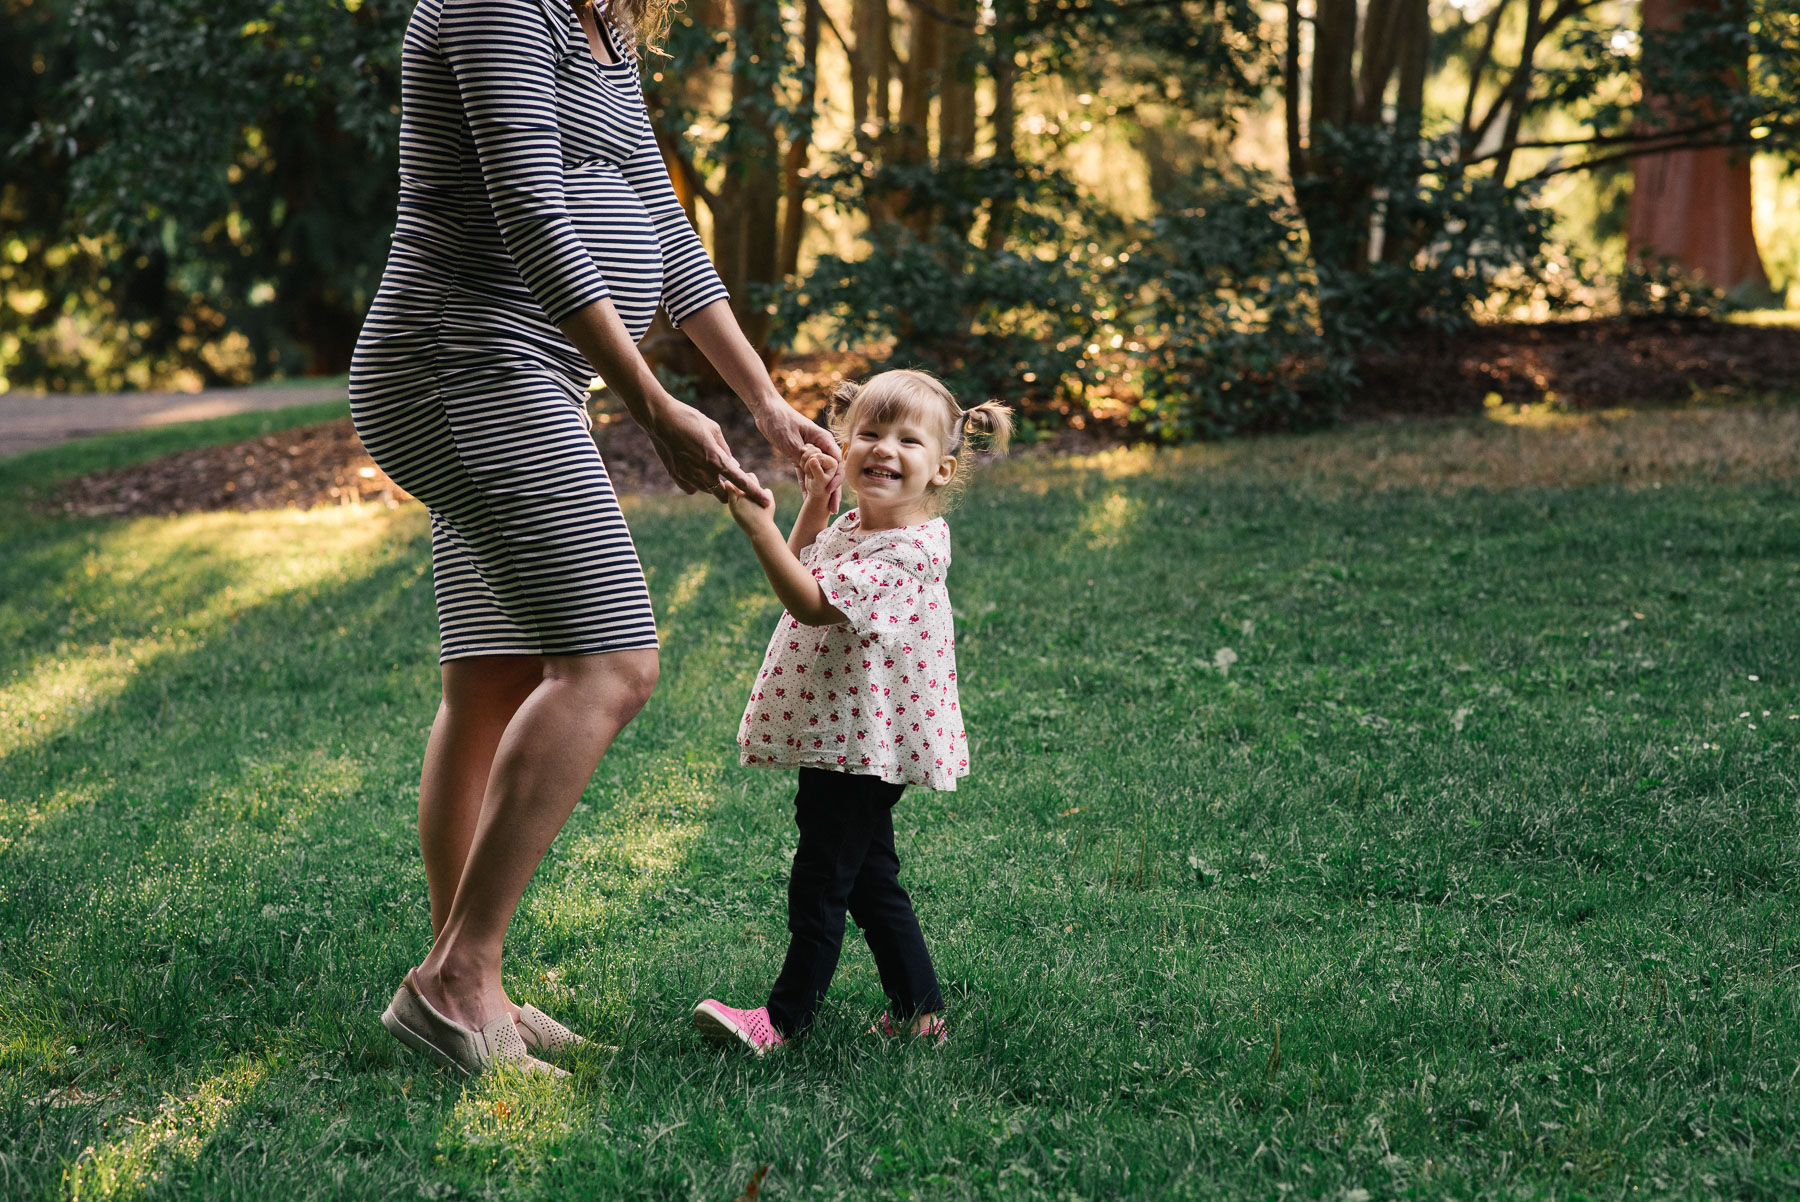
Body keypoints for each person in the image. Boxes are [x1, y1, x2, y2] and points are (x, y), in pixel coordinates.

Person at [351, 0, 840, 1077]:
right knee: (611, 661)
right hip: (464, 359)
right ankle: (455, 981)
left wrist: (758, 396)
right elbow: (531, 209)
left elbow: (659, 225)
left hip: (503, 368)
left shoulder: (600, 21)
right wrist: (652, 402)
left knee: (493, 678)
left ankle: (464, 980)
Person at [691, 370, 1012, 1053]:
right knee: (868, 877)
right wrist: (811, 501)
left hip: (868, 742)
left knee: (820, 881)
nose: (884, 449)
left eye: (907, 440)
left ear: (941, 468)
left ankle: (782, 1021)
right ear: (844, 440)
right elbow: (806, 568)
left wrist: (756, 529)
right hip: (847, 735)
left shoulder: (905, 551)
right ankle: (921, 1012)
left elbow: (811, 603)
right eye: (869, 432)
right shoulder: (854, 526)